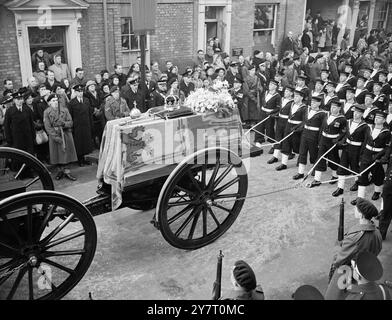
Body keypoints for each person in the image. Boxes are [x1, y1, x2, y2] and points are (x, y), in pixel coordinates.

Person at [324, 197, 382, 300]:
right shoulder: (377, 232)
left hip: (348, 272)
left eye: (356, 209)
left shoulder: (355, 238)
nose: (354, 210)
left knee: (336, 295)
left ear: (361, 215)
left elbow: (339, 261)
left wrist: (338, 246)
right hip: (367, 271)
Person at [352, 111, 391, 205]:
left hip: (378, 155)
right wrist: (361, 155)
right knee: (362, 174)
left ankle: (377, 192)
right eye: (376, 117)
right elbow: (365, 142)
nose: (376, 119)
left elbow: (388, 147)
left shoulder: (387, 132)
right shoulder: (369, 128)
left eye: (380, 118)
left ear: (384, 120)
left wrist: (384, 157)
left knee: (377, 175)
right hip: (367, 153)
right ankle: (360, 197)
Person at [308, 100, 347, 188]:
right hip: (323, 139)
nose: (332, 109)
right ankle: (317, 179)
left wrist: (337, 140)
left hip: (332, 141)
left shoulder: (342, 119)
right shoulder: (327, 115)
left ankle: (335, 176)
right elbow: (322, 128)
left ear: (339, 108)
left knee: (333, 158)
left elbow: (343, 132)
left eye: (334, 107)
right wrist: (319, 140)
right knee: (320, 157)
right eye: (331, 107)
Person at [332, 105, 369, 197]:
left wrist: (362, 153)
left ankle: (357, 182)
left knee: (355, 167)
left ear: (362, 114)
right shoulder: (348, 122)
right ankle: (340, 188)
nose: (355, 114)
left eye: (358, 113)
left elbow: (365, 141)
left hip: (356, 149)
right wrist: (339, 142)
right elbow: (345, 134)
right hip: (346, 147)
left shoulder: (365, 126)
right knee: (342, 166)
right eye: (354, 112)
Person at [43, 93, 77, 181]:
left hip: (65, 134)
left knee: (66, 154)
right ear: (49, 103)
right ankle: (60, 171)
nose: (55, 102)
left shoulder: (65, 110)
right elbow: (48, 127)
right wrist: (55, 137)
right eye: (53, 101)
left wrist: (64, 124)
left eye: (56, 100)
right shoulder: (46, 112)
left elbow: (70, 122)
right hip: (55, 135)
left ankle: (67, 171)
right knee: (57, 154)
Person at [293, 95, 326, 180]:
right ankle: (300, 172)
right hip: (305, 134)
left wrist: (319, 140)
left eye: (315, 102)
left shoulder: (322, 113)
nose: (312, 103)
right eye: (312, 102)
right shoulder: (307, 110)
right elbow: (304, 122)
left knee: (313, 153)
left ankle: (315, 168)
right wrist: (299, 128)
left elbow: (322, 128)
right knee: (302, 152)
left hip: (314, 135)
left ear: (319, 103)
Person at [276, 90, 307, 171]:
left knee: (297, 145)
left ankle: (299, 160)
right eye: (294, 96)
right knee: (286, 143)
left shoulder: (304, 108)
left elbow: (305, 121)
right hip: (288, 126)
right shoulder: (292, 104)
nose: (295, 98)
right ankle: (284, 163)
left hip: (297, 129)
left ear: (301, 98)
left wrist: (298, 128)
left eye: (297, 96)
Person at [67, 84, 93, 167]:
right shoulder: (72, 103)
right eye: (78, 91)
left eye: (81, 91)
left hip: (86, 124)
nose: (80, 93)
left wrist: (91, 123)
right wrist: (72, 127)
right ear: (75, 92)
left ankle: (85, 158)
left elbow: (89, 113)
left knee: (86, 142)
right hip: (77, 126)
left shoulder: (86, 100)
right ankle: (80, 159)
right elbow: (70, 115)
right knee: (79, 143)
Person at [3, 89, 36, 155]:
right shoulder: (10, 111)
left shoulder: (27, 109)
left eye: (21, 99)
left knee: (29, 156)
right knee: (18, 157)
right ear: (14, 100)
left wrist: (33, 136)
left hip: (28, 138)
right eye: (18, 99)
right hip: (16, 139)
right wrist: (9, 139)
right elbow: (6, 126)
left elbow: (31, 123)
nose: (20, 101)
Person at [267, 86, 295, 164]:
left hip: (287, 122)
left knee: (286, 138)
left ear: (291, 93)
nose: (285, 93)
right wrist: (275, 114)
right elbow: (279, 110)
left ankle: (289, 153)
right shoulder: (282, 99)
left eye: (287, 91)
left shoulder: (293, 102)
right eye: (285, 91)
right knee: (278, 137)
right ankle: (275, 156)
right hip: (280, 120)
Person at [254, 79, 281, 151]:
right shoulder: (266, 92)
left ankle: (273, 144)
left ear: (275, 87)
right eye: (269, 84)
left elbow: (278, 107)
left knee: (270, 129)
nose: (270, 86)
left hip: (269, 115)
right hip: (262, 112)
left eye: (272, 85)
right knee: (259, 127)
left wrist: (271, 113)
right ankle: (258, 143)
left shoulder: (277, 96)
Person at [85, 80, 104, 149]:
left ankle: (102, 144)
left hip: (100, 114)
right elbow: (88, 105)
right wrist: (94, 110)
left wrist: (100, 109)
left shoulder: (99, 93)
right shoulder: (86, 95)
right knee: (95, 131)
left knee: (102, 130)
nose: (92, 87)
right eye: (91, 86)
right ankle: (96, 145)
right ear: (87, 88)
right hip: (93, 116)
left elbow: (102, 101)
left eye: (93, 85)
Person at [243, 64, 262, 132]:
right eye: (252, 70)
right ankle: (251, 124)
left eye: (254, 70)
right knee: (250, 111)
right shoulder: (245, 79)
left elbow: (259, 86)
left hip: (256, 96)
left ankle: (254, 124)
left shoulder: (257, 78)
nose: (253, 71)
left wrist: (259, 89)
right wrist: (253, 98)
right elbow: (246, 90)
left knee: (255, 111)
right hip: (249, 98)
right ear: (249, 71)